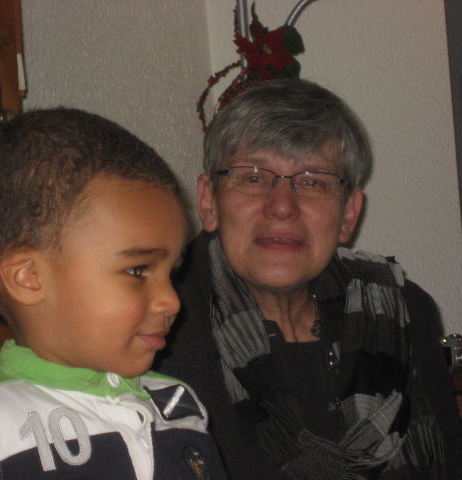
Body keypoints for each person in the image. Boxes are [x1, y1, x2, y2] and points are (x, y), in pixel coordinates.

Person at [155, 79, 462, 479]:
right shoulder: (160, 325)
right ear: (209, 201)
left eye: (313, 181)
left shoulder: (403, 312)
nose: (282, 206)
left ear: (348, 213)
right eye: (253, 177)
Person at [0, 108, 229, 480]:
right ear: (29, 278)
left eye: (171, 273)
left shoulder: (179, 407)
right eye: (137, 270)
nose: (172, 301)